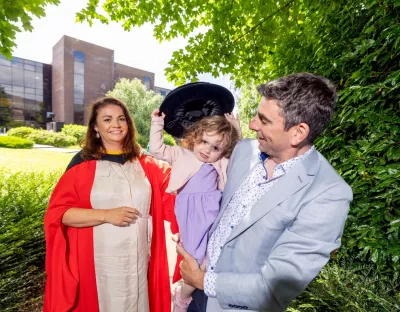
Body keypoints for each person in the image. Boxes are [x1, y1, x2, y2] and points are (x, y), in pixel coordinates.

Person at [176, 73, 353, 312]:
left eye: (264, 120)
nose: (251, 125)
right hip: (194, 295)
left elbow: (272, 288)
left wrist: (200, 279)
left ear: (298, 133)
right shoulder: (244, 151)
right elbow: (224, 216)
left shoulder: (328, 194)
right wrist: (196, 230)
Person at [43, 97, 175, 312]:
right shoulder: (82, 164)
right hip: (96, 265)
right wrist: (106, 214)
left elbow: (177, 196)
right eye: (107, 119)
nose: (116, 124)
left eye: (121, 118)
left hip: (140, 260)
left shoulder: (145, 164)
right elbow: (59, 214)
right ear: (96, 127)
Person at [149, 108, 240, 311]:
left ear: (224, 151)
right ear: (195, 137)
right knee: (196, 261)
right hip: (191, 214)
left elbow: (240, 158)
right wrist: (157, 124)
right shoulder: (182, 154)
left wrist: (236, 129)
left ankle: (187, 292)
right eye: (204, 141)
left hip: (213, 212)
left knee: (212, 257)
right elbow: (156, 149)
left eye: (216, 147)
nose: (207, 150)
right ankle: (182, 298)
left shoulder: (222, 162)